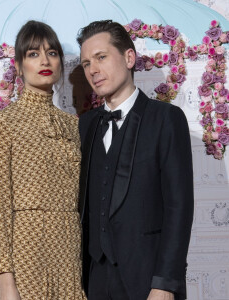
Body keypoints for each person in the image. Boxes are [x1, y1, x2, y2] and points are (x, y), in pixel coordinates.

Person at [77, 20, 194, 300]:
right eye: (85, 64)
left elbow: (180, 207)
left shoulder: (166, 119)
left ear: (129, 57)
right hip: (94, 280)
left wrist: (165, 283)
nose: (93, 70)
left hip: (149, 280)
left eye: (101, 57)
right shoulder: (85, 125)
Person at [0, 20, 86, 300]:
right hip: (26, 255)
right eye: (33, 53)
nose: (45, 60)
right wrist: (5, 279)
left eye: (52, 53)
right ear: (18, 66)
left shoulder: (74, 126)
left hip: (69, 252)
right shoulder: (3, 123)